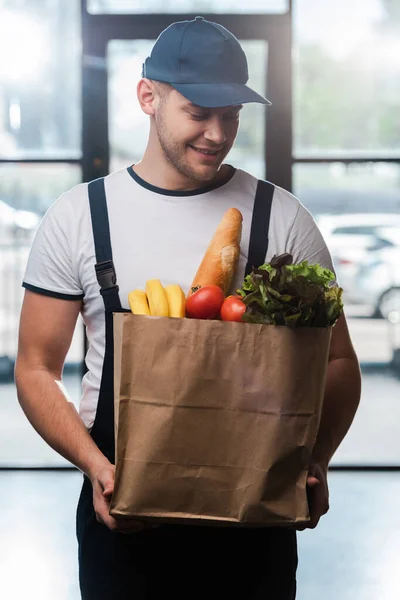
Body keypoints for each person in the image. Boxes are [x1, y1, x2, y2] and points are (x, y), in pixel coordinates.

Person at [15, 16, 361, 600]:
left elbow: (336, 363)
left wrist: (317, 460)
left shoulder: (282, 217)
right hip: (123, 508)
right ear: (148, 97)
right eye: (198, 113)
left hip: (254, 512)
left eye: (231, 115)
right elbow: (34, 366)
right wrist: (95, 469)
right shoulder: (80, 216)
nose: (217, 133)